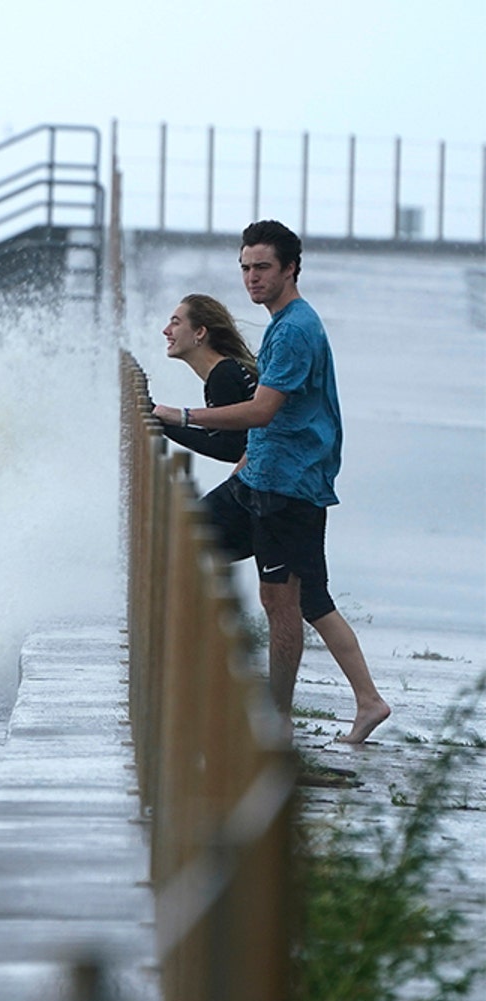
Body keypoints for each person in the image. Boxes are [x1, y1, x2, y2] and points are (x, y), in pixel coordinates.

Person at [151, 220, 391, 744]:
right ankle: (360, 701)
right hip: (261, 476)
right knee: (185, 548)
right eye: (245, 268)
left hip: (289, 486)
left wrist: (178, 416)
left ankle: (282, 716)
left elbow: (262, 411)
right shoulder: (282, 324)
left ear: (290, 269)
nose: (252, 278)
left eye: (263, 267)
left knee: (288, 602)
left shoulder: (298, 328)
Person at [157, 293, 259, 464]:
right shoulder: (223, 371)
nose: (166, 331)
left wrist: (163, 424)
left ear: (200, 332)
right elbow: (221, 436)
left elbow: (231, 449)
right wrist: (164, 422)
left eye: (175, 322)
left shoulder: (223, 375)